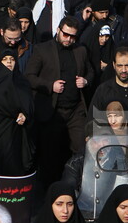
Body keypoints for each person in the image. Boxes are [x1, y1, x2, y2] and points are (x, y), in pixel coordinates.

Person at [24, 16, 92, 185]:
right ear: (58, 30)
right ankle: (50, 192)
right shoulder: (42, 49)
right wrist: (49, 85)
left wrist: (85, 81)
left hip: (75, 110)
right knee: (51, 155)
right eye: (66, 35)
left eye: (73, 36)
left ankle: (79, 188)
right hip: (52, 111)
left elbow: (91, 72)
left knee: (82, 151)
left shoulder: (80, 50)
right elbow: (29, 76)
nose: (69, 39)